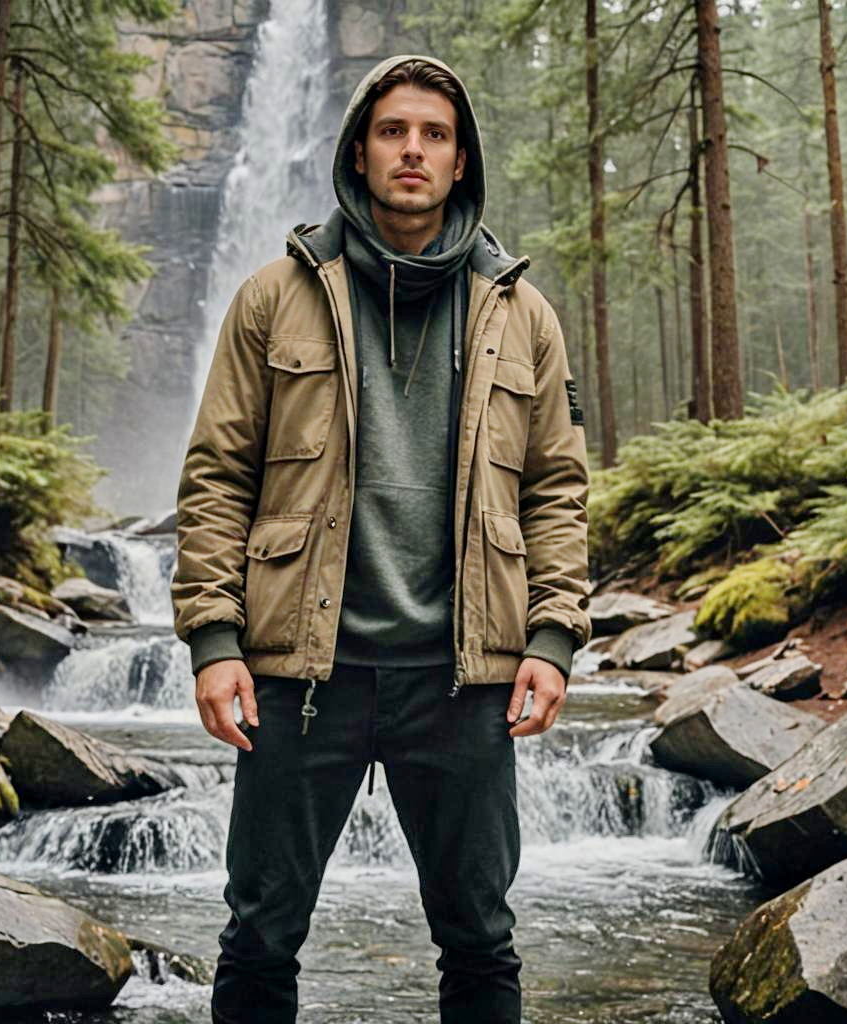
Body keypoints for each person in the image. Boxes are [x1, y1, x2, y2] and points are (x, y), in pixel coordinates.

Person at [170, 53, 591, 1024]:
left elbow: (556, 489)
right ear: (358, 151)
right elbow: (217, 476)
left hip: (461, 676)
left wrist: (551, 638)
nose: (413, 150)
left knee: (480, 942)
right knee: (259, 938)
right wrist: (214, 641)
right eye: (394, 131)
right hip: (298, 673)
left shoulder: (520, 312)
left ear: (459, 162)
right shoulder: (276, 295)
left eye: (435, 135)